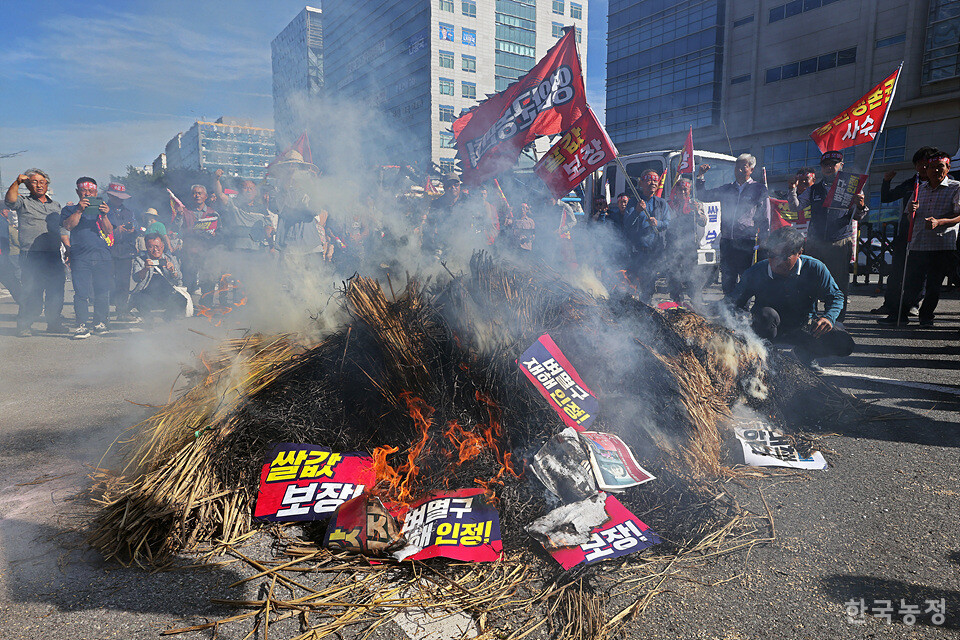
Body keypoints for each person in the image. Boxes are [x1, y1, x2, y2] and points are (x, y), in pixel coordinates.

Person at [726, 226, 855, 373]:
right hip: (767, 327)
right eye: (772, 255)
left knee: (844, 343)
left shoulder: (815, 268)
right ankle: (766, 358)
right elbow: (733, 300)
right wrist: (701, 309)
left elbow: (836, 296)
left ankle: (805, 354)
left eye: (783, 256)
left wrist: (828, 318)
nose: (776, 262)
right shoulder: (756, 271)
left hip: (803, 326)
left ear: (799, 253)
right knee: (766, 315)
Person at [880, 151, 960, 326]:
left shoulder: (956, 187)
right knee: (910, 283)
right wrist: (911, 209)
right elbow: (909, 216)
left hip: (942, 245)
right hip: (917, 243)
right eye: (931, 167)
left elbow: (958, 214)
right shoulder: (917, 189)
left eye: (940, 166)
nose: (935, 170)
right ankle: (900, 315)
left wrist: (940, 222)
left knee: (934, 285)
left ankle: (926, 316)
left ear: (948, 168)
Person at [787, 150, 867, 322]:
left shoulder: (852, 187)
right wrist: (792, 190)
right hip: (815, 243)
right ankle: (810, 318)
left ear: (841, 166)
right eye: (825, 165)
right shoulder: (814, 189)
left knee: (839, 284)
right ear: (821, 168)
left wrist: (860, 206)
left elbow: (858, 216)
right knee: (810, 281)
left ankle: (836, 321)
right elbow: (796, 207)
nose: (829, 168)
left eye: (833, 164)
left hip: (839, 242)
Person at [872, 146, 936, 315]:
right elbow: (887, 197)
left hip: (927, 235)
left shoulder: (940, 183)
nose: (923, 167)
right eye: (919, 163)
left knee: (919, 273)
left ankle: (913, 304)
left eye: (926, 163)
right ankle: (889, 305)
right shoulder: (910, 183)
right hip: (905, 234)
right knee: (897, 271)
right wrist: (886, 181)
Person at [695, 154, 770, 295]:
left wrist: (764, 238)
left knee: (746, 276)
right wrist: (700, 177)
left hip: (746, 241)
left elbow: (765, 216)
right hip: (727, 240)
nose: (739, 170)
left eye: (744, 167)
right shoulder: (727, 189)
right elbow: (703, 196)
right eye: (737, 167)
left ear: (752, 169)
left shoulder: (758, 189)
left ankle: (742, 309)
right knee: (728, 277)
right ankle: (728, 308)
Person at [4, 169, 66, 336]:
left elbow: (62, 229)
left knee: (56, 292)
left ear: (47, 185)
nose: (39, 185)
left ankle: (53, 323)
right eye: (34, 182)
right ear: (28, 185)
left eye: (42, 182)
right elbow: (10, 201)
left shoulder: (55, 206)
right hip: (32, 254)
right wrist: (17, 182)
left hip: (53, 254)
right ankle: (24, 325)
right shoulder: (23, 202)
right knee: (32, 292)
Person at [61, 177, 114, 338]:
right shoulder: (69, 209)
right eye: (84, 191)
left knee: (102, 291)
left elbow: (108, 231)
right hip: (80, 256)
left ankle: (100, 322)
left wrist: (104, 215)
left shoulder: (102, 208)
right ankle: (82, 325)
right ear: (78, 192)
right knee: (81, 292)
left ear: (96, 192)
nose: (88, 194)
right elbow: (68, 226)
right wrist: (79, 210)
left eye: (91, 191)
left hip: (102, 255)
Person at [623, 170, 672, 302]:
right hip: (636, 251)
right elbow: (627, 224)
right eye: (649, 180)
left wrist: (658, 223)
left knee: (649, 286)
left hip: (654, 251)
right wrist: (637, 212)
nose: (653, 183)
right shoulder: (634, 202)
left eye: (655, 180)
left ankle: (647, 310)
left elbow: (668, 223)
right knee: (633, 286)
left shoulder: (662, 203)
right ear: (641, 183)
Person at [666, 177, 708, 307]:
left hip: (689, 244)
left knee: (692, 274)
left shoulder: (696, 203)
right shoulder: (670, 204)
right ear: (676, 191)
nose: (683, 193)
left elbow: (703, 221)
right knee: (673, 274)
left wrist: (696, 211)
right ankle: (677, 301)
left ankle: (695, 301)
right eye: (680, 190)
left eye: (686, 190)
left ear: (689, 191)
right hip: (673, 244)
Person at [174, 184, 219, 296]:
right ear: (191, 196)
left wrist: (215, 234)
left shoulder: (213, 212)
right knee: (188, 281)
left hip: (207, 252)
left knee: (208, 280)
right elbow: (176, 229)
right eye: (194, 193)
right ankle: (187, 307)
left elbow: (221, 232)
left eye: (200, 193)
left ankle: (207, 307)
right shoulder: (185, 212)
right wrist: (179, 215)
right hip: (189, 252)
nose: (197, 195)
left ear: (206, 196)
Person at [130, 233, 187, 321]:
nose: (155, 250)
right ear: (146, 247)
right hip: (148, 295)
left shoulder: (170, 258)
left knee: (182, 300)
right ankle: (148, 322)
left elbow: (179, 277)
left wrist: (173, 270)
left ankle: (168, 318)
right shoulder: (140, 260)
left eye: (157, 246)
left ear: (163, 246)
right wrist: (145, 269)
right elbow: (136, 278)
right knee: (139, 299)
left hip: (166, 294)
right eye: (151, 247)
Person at [105, 182, 137, 321]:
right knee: (107, 283)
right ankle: (102, 312)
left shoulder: (129, 212)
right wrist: (115, 231)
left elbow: (136, 228)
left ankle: (122, 311)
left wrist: (132, 230)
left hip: (125, 252)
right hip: (108, 251)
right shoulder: (103, 210)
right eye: (116, 197)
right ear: (109, 195)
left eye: (121, 197)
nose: (119, 199)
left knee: (123, 283)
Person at [0, 208, 22, 304]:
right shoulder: (2, 222)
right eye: (7, 210)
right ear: (3, 211)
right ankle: (27, 306)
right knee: (12, 282)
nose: (9, 212)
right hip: (3, 257)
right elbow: (4, 241)